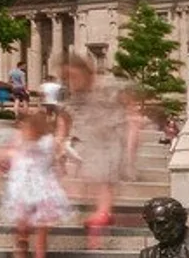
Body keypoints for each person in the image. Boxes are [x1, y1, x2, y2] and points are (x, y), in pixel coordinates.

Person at [55, 55, 140, 249]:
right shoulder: (73, 98)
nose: (71, 83)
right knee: (92, 176)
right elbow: (63, 122)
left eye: (73, 77)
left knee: (103, 175)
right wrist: (59, 145)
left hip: (112, 139)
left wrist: (131, 138)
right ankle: (100, 216)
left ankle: (102, 214)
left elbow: (131, 107)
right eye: (66, 79)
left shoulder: (109, 86)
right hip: (89, 143)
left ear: (86, 73)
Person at [0, 106, 73, 258]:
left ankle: (22, 246)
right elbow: (57, 156)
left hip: (28, 191)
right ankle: (25, 247)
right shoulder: (44, 142)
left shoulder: (25, 142)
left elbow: (0, 158)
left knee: (26, 228)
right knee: (36, 234)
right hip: (41, 191)